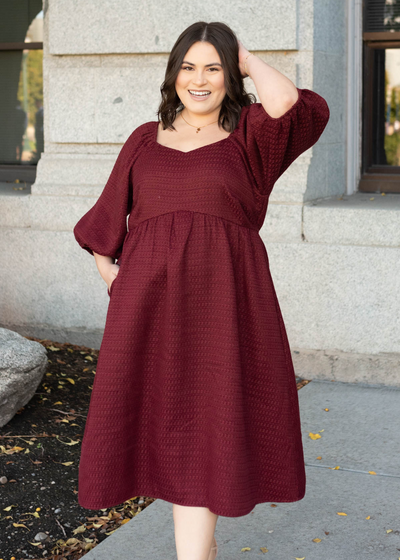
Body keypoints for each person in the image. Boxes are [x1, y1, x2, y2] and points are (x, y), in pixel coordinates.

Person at [73, 21, 330, 560]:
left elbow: (288, 101)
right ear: (173, 75)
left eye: (213, 67)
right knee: (167, 423)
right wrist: (112, 277)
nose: (199, 79)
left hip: (226, 305)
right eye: (189, 66)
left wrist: (246, 55)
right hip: (149, 307)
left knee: (209, 422)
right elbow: (104, 221)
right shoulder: (145, 138)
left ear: (230, 76)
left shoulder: (251, 137)